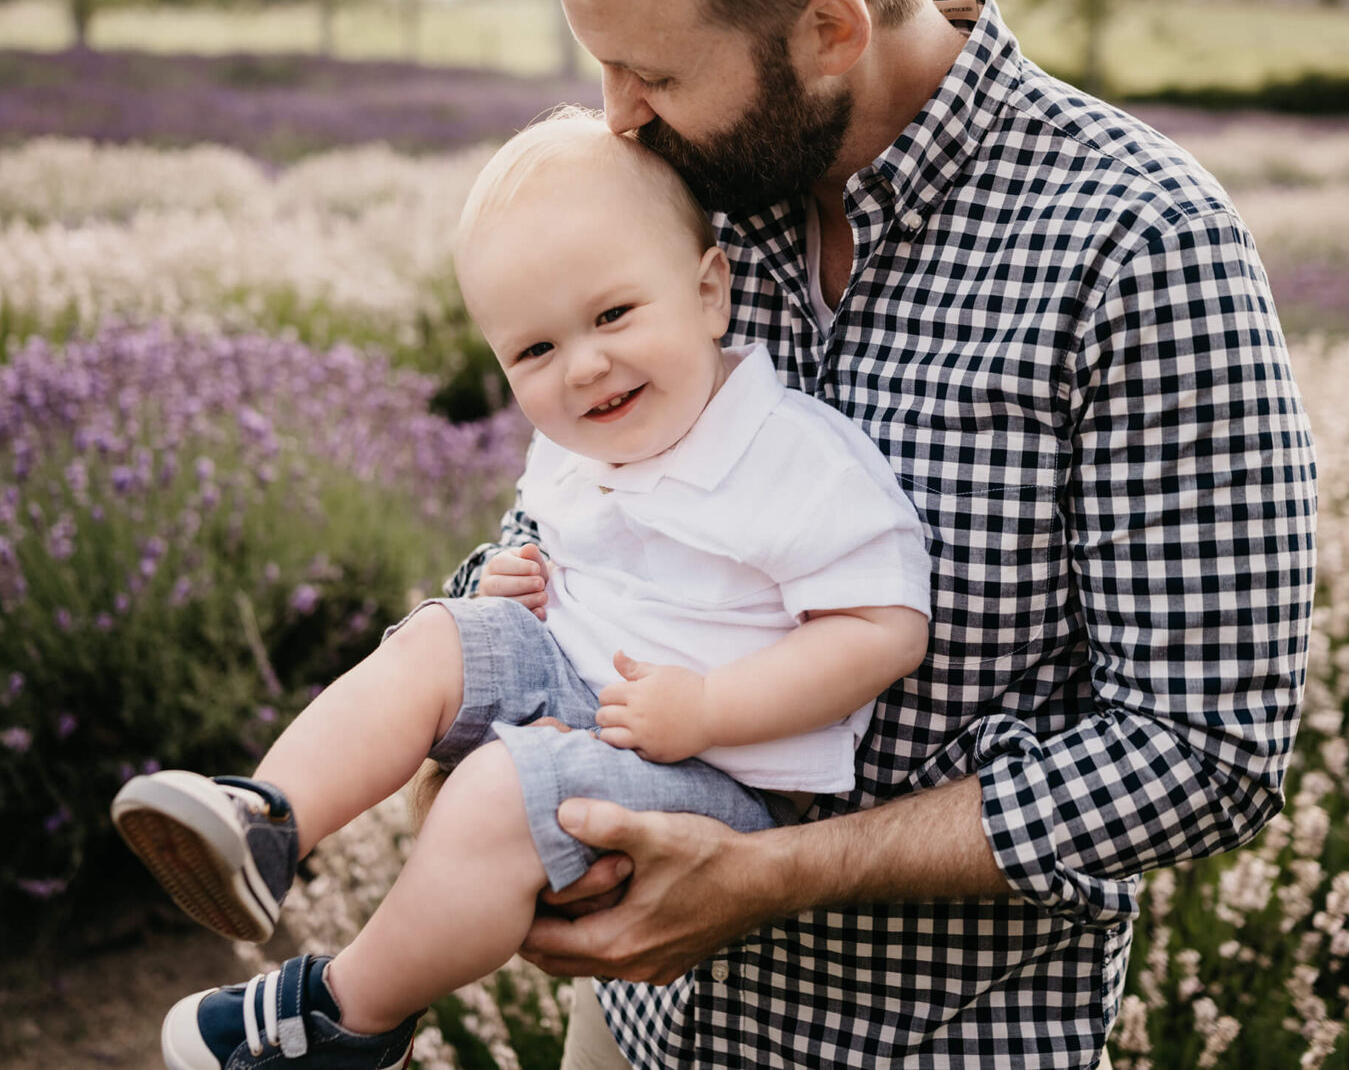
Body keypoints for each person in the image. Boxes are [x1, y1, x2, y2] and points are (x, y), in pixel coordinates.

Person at [437, 0, 1320, 1067]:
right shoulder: (681, 189)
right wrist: (467, 691)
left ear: (830, 31)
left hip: (918, 1043)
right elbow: (563, 519)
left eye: (658, 73)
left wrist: (774, 873)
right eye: (604, 64)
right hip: (629, 1027)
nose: (618, 117)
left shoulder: (1139, 245)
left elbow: (1200, 750)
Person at [110, 110, 935, 1069]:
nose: (583, 366)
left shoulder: (792, 458)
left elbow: (883, 627)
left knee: (504, 788)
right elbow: (566, 557)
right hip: (586, 690)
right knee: (439, 636)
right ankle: (267, 819)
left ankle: (344, 1017)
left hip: (723, 778)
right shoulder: (576, 452)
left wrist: (710, 707)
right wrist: (517, 580)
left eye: (614, 315)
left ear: (710, 292)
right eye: (534, 352)